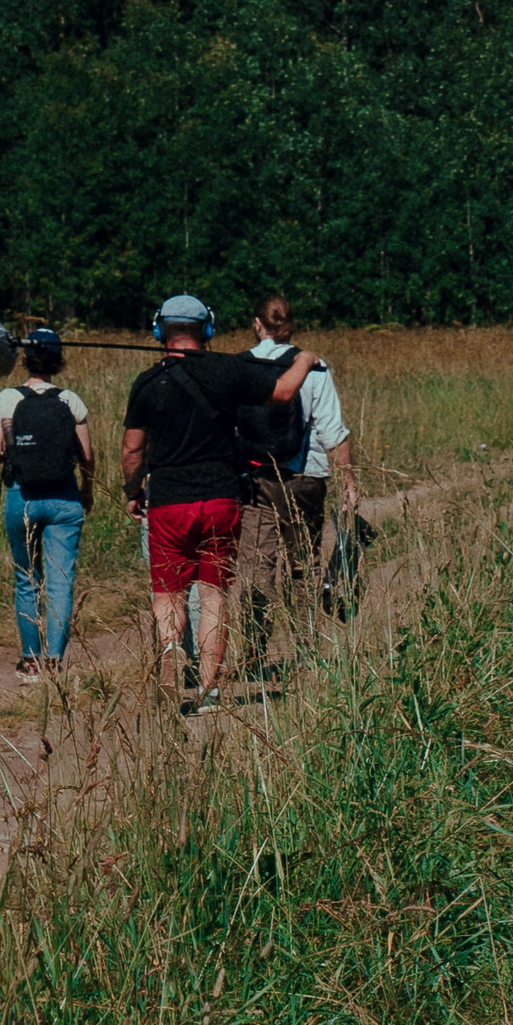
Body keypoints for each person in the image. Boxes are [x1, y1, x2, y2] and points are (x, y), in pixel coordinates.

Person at [121, 293, 319, 712]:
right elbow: (283, 391)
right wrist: (305, 358)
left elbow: (132, 451)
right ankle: (210, 689)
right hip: (221, 500)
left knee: (168, 595)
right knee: (213, 594)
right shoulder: (230, 370)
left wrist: (133, 492)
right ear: (207, 330)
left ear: (160, 331)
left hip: (168, 504)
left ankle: (173, 662)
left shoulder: (146, 382)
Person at [237, 289, 356, 653]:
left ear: (257, 325)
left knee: (257, 563)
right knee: (303, 561)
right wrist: (348, 479)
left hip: (256, 478)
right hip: (306, 477)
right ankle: (305, 645)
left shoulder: (238, 366)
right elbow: (332, 430)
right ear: (290, 326)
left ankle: (255, 647)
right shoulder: (315, 367)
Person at [0, 326, 93, 681]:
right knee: (61, 581)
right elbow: (87, 456)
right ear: (59, 359)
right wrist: (86, 490)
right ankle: (55, 661)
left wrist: (19, 451)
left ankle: (30, 662)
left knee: (27, 578)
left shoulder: (6, 400)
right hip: (65, 499)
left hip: (22, 498)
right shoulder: (70, 400)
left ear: (24, 359)